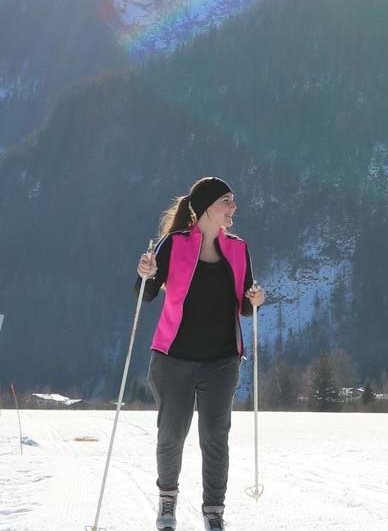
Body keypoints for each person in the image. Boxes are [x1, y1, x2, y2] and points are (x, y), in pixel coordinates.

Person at [134, 176, 266, 531]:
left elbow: (244, 303)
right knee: (171, 435)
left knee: (215, 437)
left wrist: (256, 300)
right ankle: (167, 501)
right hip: (173, 359)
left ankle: (213, 513)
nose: (233, 207)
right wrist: (145, 273)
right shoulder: (174, 244)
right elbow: (144, 294)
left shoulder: (238, 248)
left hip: (221, 361)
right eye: (227, 201)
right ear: (207, 206)